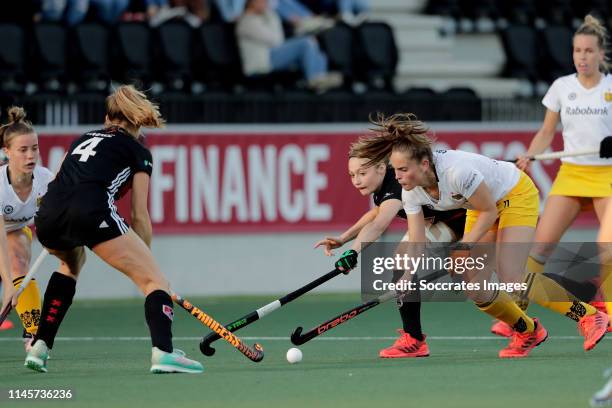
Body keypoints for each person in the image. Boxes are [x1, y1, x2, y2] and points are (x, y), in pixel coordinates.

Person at [334, 112, 609, 358]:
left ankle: (588, 316)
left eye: (404, 170)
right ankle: (527, 330)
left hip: (514, 194)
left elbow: (489, 211)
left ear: (425, 164)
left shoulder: (457, 171)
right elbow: (417, 239)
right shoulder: (410, 191)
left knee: (511, 276)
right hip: (477, 205)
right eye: (396, 171)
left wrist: (464, 246)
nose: (399, 177)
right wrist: (407, 277)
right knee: (474, 285)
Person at [24, 85, 203, 374]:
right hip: (91, 213)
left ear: (108, 118)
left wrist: (57, 219)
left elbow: (54, 183)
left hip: (48, 215)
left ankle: (40, 346)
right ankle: (163, 353)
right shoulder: (138, 150)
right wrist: (148, 265)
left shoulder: (81, 139)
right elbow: (139, 215)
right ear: (138, 121)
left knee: (70, 264)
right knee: (153, 281)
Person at [315, 136, 465, 358]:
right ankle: (413, 337)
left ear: (381, 167)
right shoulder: (385, 187)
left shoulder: (396, 185)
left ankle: (413, 339)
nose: (356, 180)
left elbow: (379, 224)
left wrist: (353, 252)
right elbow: (376, 212)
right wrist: (344, 238)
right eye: (352, 175)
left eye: (362, 173)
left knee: (404, 258)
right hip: (440, 221)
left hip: (460, 219)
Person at [514, 14, 612, 334]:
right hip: (572, 175)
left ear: (600, 54)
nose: (582, 57)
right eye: (577, 51)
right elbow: (546, 132)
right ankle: (518, 313)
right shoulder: (561, 87)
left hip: (607, 176)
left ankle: (609, 312)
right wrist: (531, 154)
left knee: (606, 246)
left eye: (588, 51)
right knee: (539, 248)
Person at [0, 107, 54, 349]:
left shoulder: (45, 180)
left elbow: (54, 219)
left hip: (15, 232)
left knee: (20, 258)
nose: (30, 155)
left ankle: (32, 335)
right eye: (23, 150)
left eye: (34, 148)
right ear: (7, 152)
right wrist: (8, 285)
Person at [235, 0, 342, 92]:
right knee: (306, 43)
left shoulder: (261, 18)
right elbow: (277, 40)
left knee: (316, 49)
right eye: (262, 1)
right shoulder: (246, 22)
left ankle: (320, 80)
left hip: (271, 56)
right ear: (252, 3)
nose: (265, 3)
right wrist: (271, 12)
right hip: (262, 63)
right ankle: (314, 79)